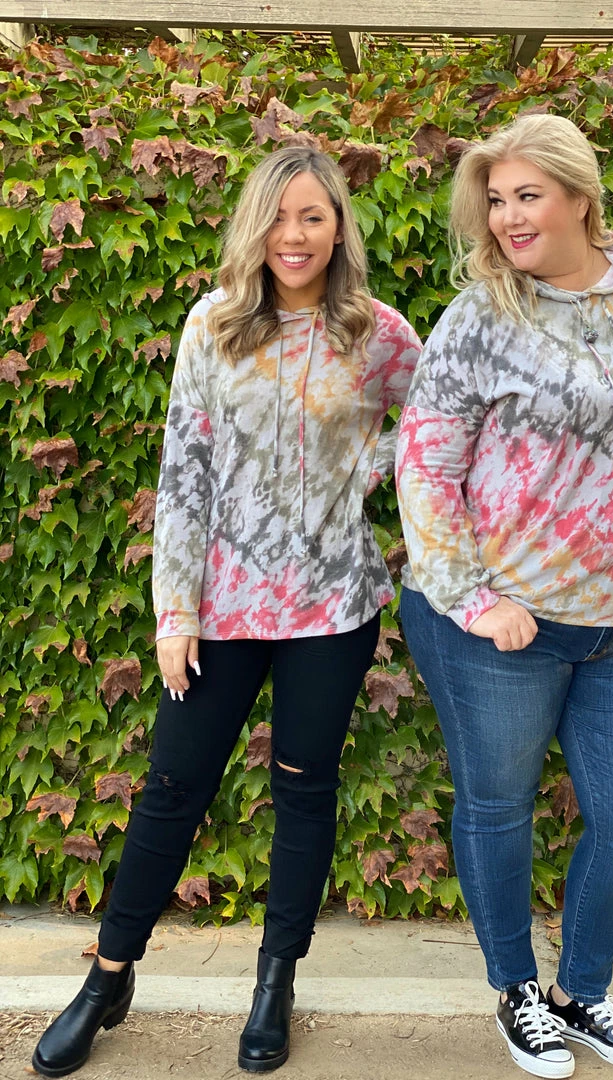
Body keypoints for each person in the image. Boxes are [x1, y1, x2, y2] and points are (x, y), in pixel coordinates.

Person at [32, 146, 421, 1077]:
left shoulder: (377, 333)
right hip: (223, 608)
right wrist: (175, 614)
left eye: (314, 216)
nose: (295, 235)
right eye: (279, 216)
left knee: (305, 790)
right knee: (172, 788)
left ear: (338, 227)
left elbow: (433, 424)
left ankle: (275, 982)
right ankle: (108, 977)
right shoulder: (213, 326)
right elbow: (185, 474)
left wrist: (364, 471)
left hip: (331, 607)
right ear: (255, 225)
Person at [396, 113, 613, 1078]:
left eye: (527, 196)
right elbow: (424, 463)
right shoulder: (483, 315)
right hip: (499, 623)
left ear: (581, 197)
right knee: (498, 807)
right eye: (496, 200)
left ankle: (582, 990)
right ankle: (518, 991)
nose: (508, 217)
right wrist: (472, 597)